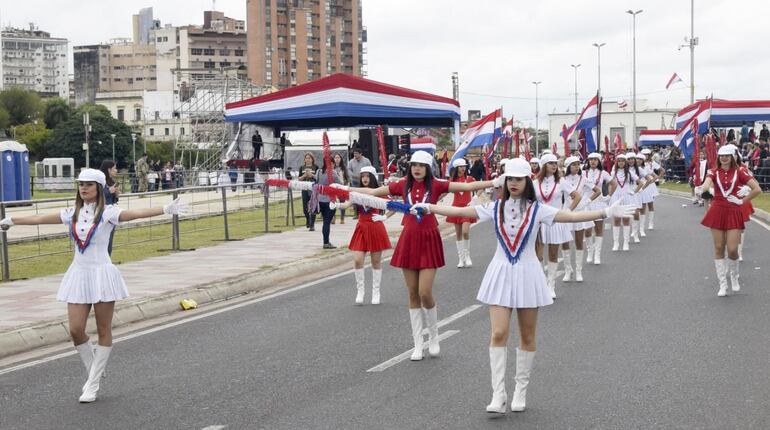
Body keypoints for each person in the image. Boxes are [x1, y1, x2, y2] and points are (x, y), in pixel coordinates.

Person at [408, 158, 635, 414]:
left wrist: (605, 212)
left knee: (527, 335)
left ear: (527, 181)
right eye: (509, 179)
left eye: (518, 179)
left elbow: (569, 216)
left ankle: (520, 389)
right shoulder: (495, 207)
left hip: (528, 273)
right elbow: (462, 212)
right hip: (500, 273)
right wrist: (429, 207)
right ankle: (498, 393)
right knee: (498, 333)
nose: (513, 183)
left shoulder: (538, 210)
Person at [0, 169, 188, 403]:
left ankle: (93, 383)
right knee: (76, 329)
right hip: (79, 274)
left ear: (98, 187)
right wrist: (13, 220)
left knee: (102, 330)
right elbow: (39, 218)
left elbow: (134, 213)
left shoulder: (109, 213)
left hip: (101, 274)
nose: (83, 188)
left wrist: (165, 208)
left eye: (88, 184)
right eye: (80, 184)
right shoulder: (72, 213)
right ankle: (94, 370)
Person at [352, 151, 494, 361]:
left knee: (424, 291)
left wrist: (498, 180)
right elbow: (373, 191)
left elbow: (467, 187)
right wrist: (344, 190)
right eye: (413, 165)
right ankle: (418, 343)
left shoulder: (436, 185)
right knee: (412, 293)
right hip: (408, 239)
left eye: (421, 165)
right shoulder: (402, 185)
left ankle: (433, 337)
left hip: (428, 238)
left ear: (428, 168)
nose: (416, 168)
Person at [696, 145, 761, 296]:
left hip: (733, 211)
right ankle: (722, 285)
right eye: (721, 156)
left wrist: (741, 201)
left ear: (732, 157)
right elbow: (707, 183)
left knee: (732, 249)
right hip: (717, 210)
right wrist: (702, 188)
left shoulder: (740, 171)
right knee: (719, 247)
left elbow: (757, 189)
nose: (723, 158)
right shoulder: (713, 171)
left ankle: (734, 275)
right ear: (718, 158)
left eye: (727, 155)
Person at [338, 166, 392, 304]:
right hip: (361, 228)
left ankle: (376, 292)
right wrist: (336, 205)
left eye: (367, 176)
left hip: (375, 227)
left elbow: (394, 206)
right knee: (357, 259)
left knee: (375, 262)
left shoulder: (379, 193)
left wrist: (384, 217)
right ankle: (360, 291)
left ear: (372, 177)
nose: (365, 179)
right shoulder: (358, 193)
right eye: (363, 176)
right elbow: (346, 204)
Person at [533, 154, 581, 298]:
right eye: (551, 163)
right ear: (544, 165)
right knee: (537, 255)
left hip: (555, 220)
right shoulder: (535, 182)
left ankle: (550, 285)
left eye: (555, 163)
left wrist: (567, 211)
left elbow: (577, 196)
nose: (554, 166)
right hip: (539, 221)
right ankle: (540, 283)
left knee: (553, 254)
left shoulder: (561, 182)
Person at [562, 156, 601, 282]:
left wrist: (587, 202)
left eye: (578, 164)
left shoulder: (583, 178)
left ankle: (579, 270)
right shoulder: (562, 179)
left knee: (579, 241)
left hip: (580, 212)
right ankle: (568, 270)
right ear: (568, 166)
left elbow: (597, 191)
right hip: (566, 212)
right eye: (573, 164)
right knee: (565, 242)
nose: (576, 167)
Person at [582, 153, 615, 265]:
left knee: (598, 228)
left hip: (599, 203)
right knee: (587, 229)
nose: (593, 162)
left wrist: (608, 197)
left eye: (595, 160)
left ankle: (597, 255)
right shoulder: (583, 173)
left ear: (599, 161)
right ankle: (590, 252)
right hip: (586, 203)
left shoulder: (603, 173)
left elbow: (614, 184)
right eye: (591, 160)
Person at [609, 154, 643, 251]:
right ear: (616, 162)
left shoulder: (630, 173)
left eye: (623, 161)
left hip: (627, 197)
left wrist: (634, 192)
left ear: (625, 162)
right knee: (616, 220)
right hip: (616, 198)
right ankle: (616, 243)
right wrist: (609, 196)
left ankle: (625, 243)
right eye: (619, 161)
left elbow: (640, 183)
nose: (621, 163)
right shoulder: (613, 173)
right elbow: (609, 185)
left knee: (626, 220)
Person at [447, 158, 476, 268]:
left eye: (464, 166)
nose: (463, 168)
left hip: (467, 208)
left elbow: (480, 187)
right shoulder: (452, 181)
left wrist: (476, 197)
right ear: (456, 168)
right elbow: (444, 191)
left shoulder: (470, 179)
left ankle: (467, 256)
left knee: (465, 231)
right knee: (458, 233)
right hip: (455, 208)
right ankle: (461, 258)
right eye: (461, 166)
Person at [314, 160, 342, 249]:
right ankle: (326, 242)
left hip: (319, 199)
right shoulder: (333, 173)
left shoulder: (318, 171)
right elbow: (340, 184)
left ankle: (325, 241)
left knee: (325, 222)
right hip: (329, 200)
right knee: (326, 222)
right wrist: (340, 175)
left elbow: (316, 181)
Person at [99, 160, 120, 255]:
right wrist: (108, 192)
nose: (116, 170)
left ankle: (108, 261)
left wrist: (116, 194)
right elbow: (97, 196)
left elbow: (114, 200)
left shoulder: (111, 182)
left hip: (111, 212)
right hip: (102, 214)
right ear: (108, 169)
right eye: (114, 168)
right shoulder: (100, 182)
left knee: (109, 240)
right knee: (102, 240)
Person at [299, 153, 319, 231]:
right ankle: (308, 219)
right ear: (304, 159)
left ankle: (312, 224)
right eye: (306, 158)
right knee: (305, 208)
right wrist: (304, 176)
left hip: (313, 188)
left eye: (309, 158)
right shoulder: (301, 167)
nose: (308, 159)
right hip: (304, 188)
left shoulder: (316, 167)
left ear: (312, 159)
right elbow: (299, 178)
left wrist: (312, 175)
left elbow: (318, 178)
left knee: (313, 206)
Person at [331, 153, 350, 224]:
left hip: (342, 187)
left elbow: (347, 177)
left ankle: (342, 218)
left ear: (341, 159)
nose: (337, 159)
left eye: (338, 157)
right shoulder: (332, 168)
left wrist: (346, 184)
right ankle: (333, 217)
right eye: (335, 157)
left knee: (342, 202)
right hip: (334, 187)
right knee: (333, 202)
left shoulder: (344, 167)